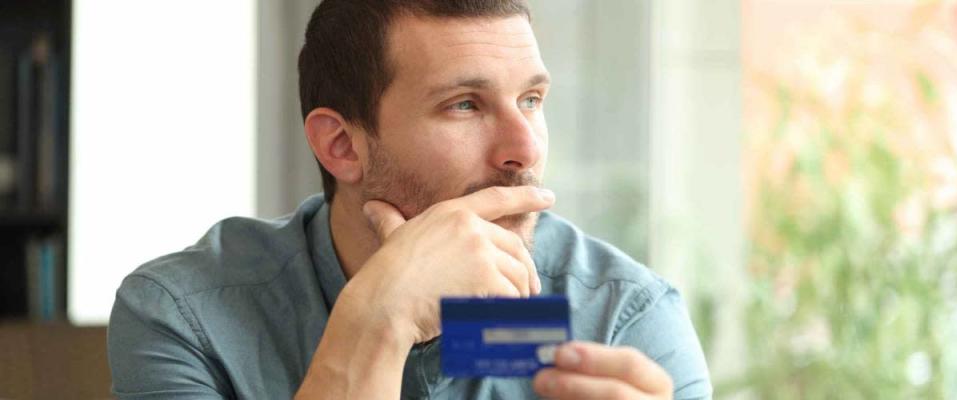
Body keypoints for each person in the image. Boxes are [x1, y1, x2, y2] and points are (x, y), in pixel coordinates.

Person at [107, 0, 712, 398]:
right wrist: (378, 317)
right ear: (342, 145)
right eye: (465, 105)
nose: (524, 150)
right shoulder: (186, 317)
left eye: (531, 99)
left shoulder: (622, 318)